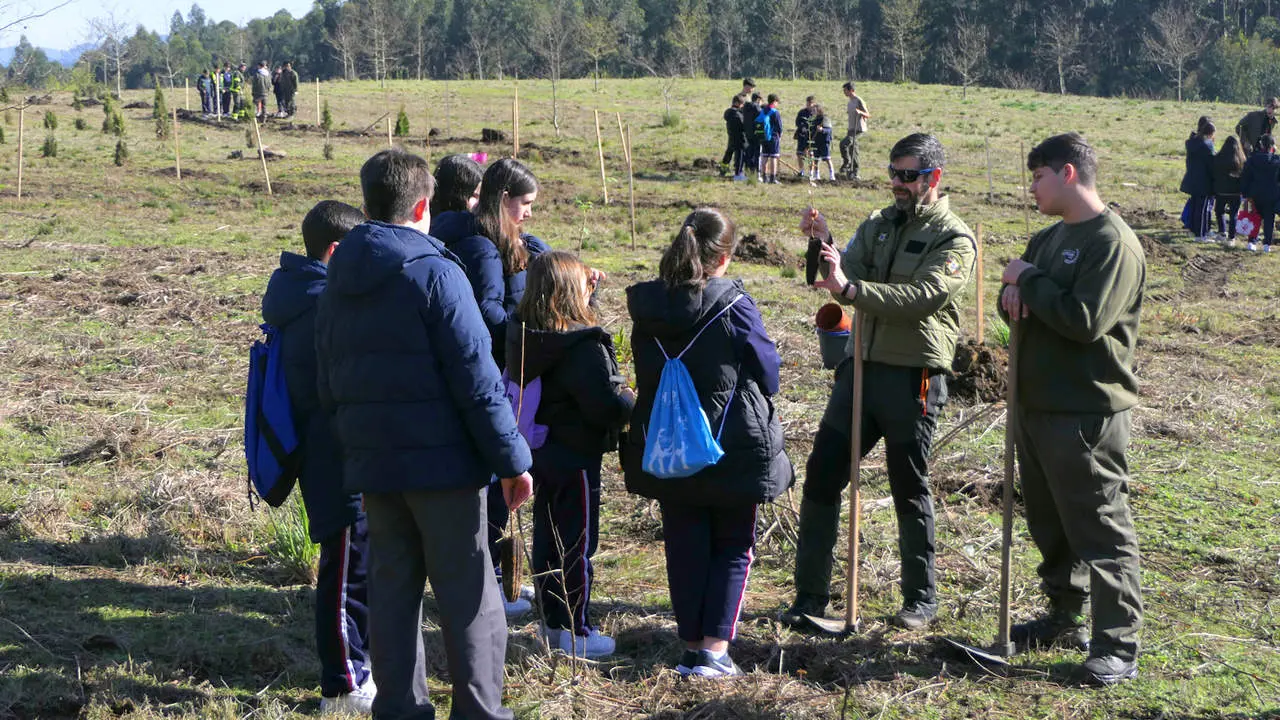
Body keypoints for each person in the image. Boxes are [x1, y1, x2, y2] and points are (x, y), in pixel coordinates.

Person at [314, 148, 534, 720]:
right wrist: (512, 460)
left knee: (392, 592)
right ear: (421, 205)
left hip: (373, 466)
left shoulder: (338, 273)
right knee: (471, 597)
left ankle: (399, 709)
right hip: (444, 473)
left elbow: (326, 373)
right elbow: (478, 378)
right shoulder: (437, 272)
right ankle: (480, 713)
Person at [780, 133, 975, 633]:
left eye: (907, 175)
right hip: (859, 368)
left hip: (913, 375)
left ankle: (919, 600)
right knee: (823, 472)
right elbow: (843, 274)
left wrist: (852, 289)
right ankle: (810, 597)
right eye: (892, 173)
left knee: (908, 485)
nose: (897, 184)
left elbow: (923, 296)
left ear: (932, 178)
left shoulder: (954, 239)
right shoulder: (879, 224)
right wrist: (821, 243)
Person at [998, 132, 1146, 686]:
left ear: (1067, 173)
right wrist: (1018, 288)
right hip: (1035, 404)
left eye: (1037, 176)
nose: (1030, 187)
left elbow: (1085, 320)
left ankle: (1116, 644)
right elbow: (1012, 295)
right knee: (1050, 522)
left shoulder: (1113, 244)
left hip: (1086, 410)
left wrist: (1029, 282)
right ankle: (1063, 614)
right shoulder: (1046, 238)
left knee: (1100, 526)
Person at [622, 207, 792, 677]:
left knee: (684, 543)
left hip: (666, 447)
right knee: (734, 544)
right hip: (730, 445)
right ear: (723, 258)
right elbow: (769, 372)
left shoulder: (648, 308)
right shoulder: (734, 305)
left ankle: (692, 646)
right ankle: (716, 654)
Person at [261, 200, 374, 714]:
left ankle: (359, 669)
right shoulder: (319, 306)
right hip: (334, 456)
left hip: (336, 451)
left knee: (355, 565)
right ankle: (343, 685)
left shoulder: (304, 295)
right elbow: (330, 391)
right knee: (344, 569)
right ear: (334, 251)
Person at [433, 158, 551, 616]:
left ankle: (490, 580)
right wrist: (529, 333)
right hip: (495, 373)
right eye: (524, 204)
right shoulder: (482, 250)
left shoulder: (473, 238)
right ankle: (495, 584)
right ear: (502, 199)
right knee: (495, 475)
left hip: (483, 373)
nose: (527, 214)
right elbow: (487, 315)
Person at [506, 251, 635, 659]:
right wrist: (630, 399)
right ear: (568, 292)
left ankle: (552, 624)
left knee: (548, 537)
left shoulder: (527, 336)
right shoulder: (582, 348)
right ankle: (576, 631)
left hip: (540, 452)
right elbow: (604, 407)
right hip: (577, 457)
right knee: (577, 542)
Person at [1240, 133, 1280, 252]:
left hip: (1255, 193)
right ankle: (1267, 244)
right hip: (1271, 194)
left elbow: (1245, 177)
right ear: (1272, 146)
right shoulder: (1277, 161)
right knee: (1269, 219)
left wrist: (1245, 194)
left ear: (1261, 145)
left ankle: (1252, 242)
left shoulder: (1252, 160)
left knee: (1254, 217)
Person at [1179, 116, 1215, 243]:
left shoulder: (1192, 143)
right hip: (1204, 182)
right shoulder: (1208, 146)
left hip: (1192, 179)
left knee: (1195, 206)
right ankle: (1201, 234)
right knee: (1203, 209)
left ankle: (1194, 230)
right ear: (1210, 134)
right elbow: (1212, 163)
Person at [1213, 135, 1246, 246]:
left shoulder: (1218, 158)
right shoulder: (1242, 161)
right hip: (1236, 192)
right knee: (1234, 214)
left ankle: (1222, 231)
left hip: (1221, 191)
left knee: (1219, 211)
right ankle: (1231, 237)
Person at [840, 81, 870, 179]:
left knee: (844, 143)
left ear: (851, 90)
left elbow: (868, 114)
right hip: (851, 129)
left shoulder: (859, 100)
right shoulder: (850, 102)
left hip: (858, 129)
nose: (844, 92)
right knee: (853, 150)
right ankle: (854, 172)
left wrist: (860, 112)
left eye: (845, 90)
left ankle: (847, 162)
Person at [757, 94, 783, 184]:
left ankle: (764, 177)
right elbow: (780, 127)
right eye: (777, 102)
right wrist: (779, 136)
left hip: (763, 137)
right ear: (774, 101)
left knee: (764, 156)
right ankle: (772, 178)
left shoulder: (763, 110)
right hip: (773, 137)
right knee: (773, 157)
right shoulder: (775, 112)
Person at [721, 95, 747, 181]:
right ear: (737, 103)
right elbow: (743, 126)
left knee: (728, 154)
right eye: (742, 104)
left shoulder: (728, 113)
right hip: (740, 139)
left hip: (731, 137)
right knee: (739, 157)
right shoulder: (737, 115)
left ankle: (723, 170)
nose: (742, 106)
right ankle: (738, 174)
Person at [810, 106, 835, 182]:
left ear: (819, 111)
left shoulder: (825, 119)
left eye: (814, 110)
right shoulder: (814, 120)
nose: (813, 112)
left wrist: (822, 130)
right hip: (816, 142)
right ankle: (816, 175)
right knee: (816, 159)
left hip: (824, 142)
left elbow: (829, 130)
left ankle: (832, 175)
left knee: (827, 158)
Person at [794, 95, 817, 178]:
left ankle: (811, 173)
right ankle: (801, 171)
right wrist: (802, 127)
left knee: (811, 155)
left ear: (814, 104)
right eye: (807, 103)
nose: (808, 105)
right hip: (802, 136)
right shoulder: (802, 112)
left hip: (811, 137)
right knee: (799, 154)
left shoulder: (816, 113)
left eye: (810, 103)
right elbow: (797, 122)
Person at [742, 92, 763, 181]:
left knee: (748, 153)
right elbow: (760, 122)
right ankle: (757, 174)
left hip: (747, 133)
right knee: (757, 154)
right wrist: (761, 135)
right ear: (758, 99)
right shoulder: (757, 108)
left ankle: (747, 173)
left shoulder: (745, 107)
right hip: (756, 135)